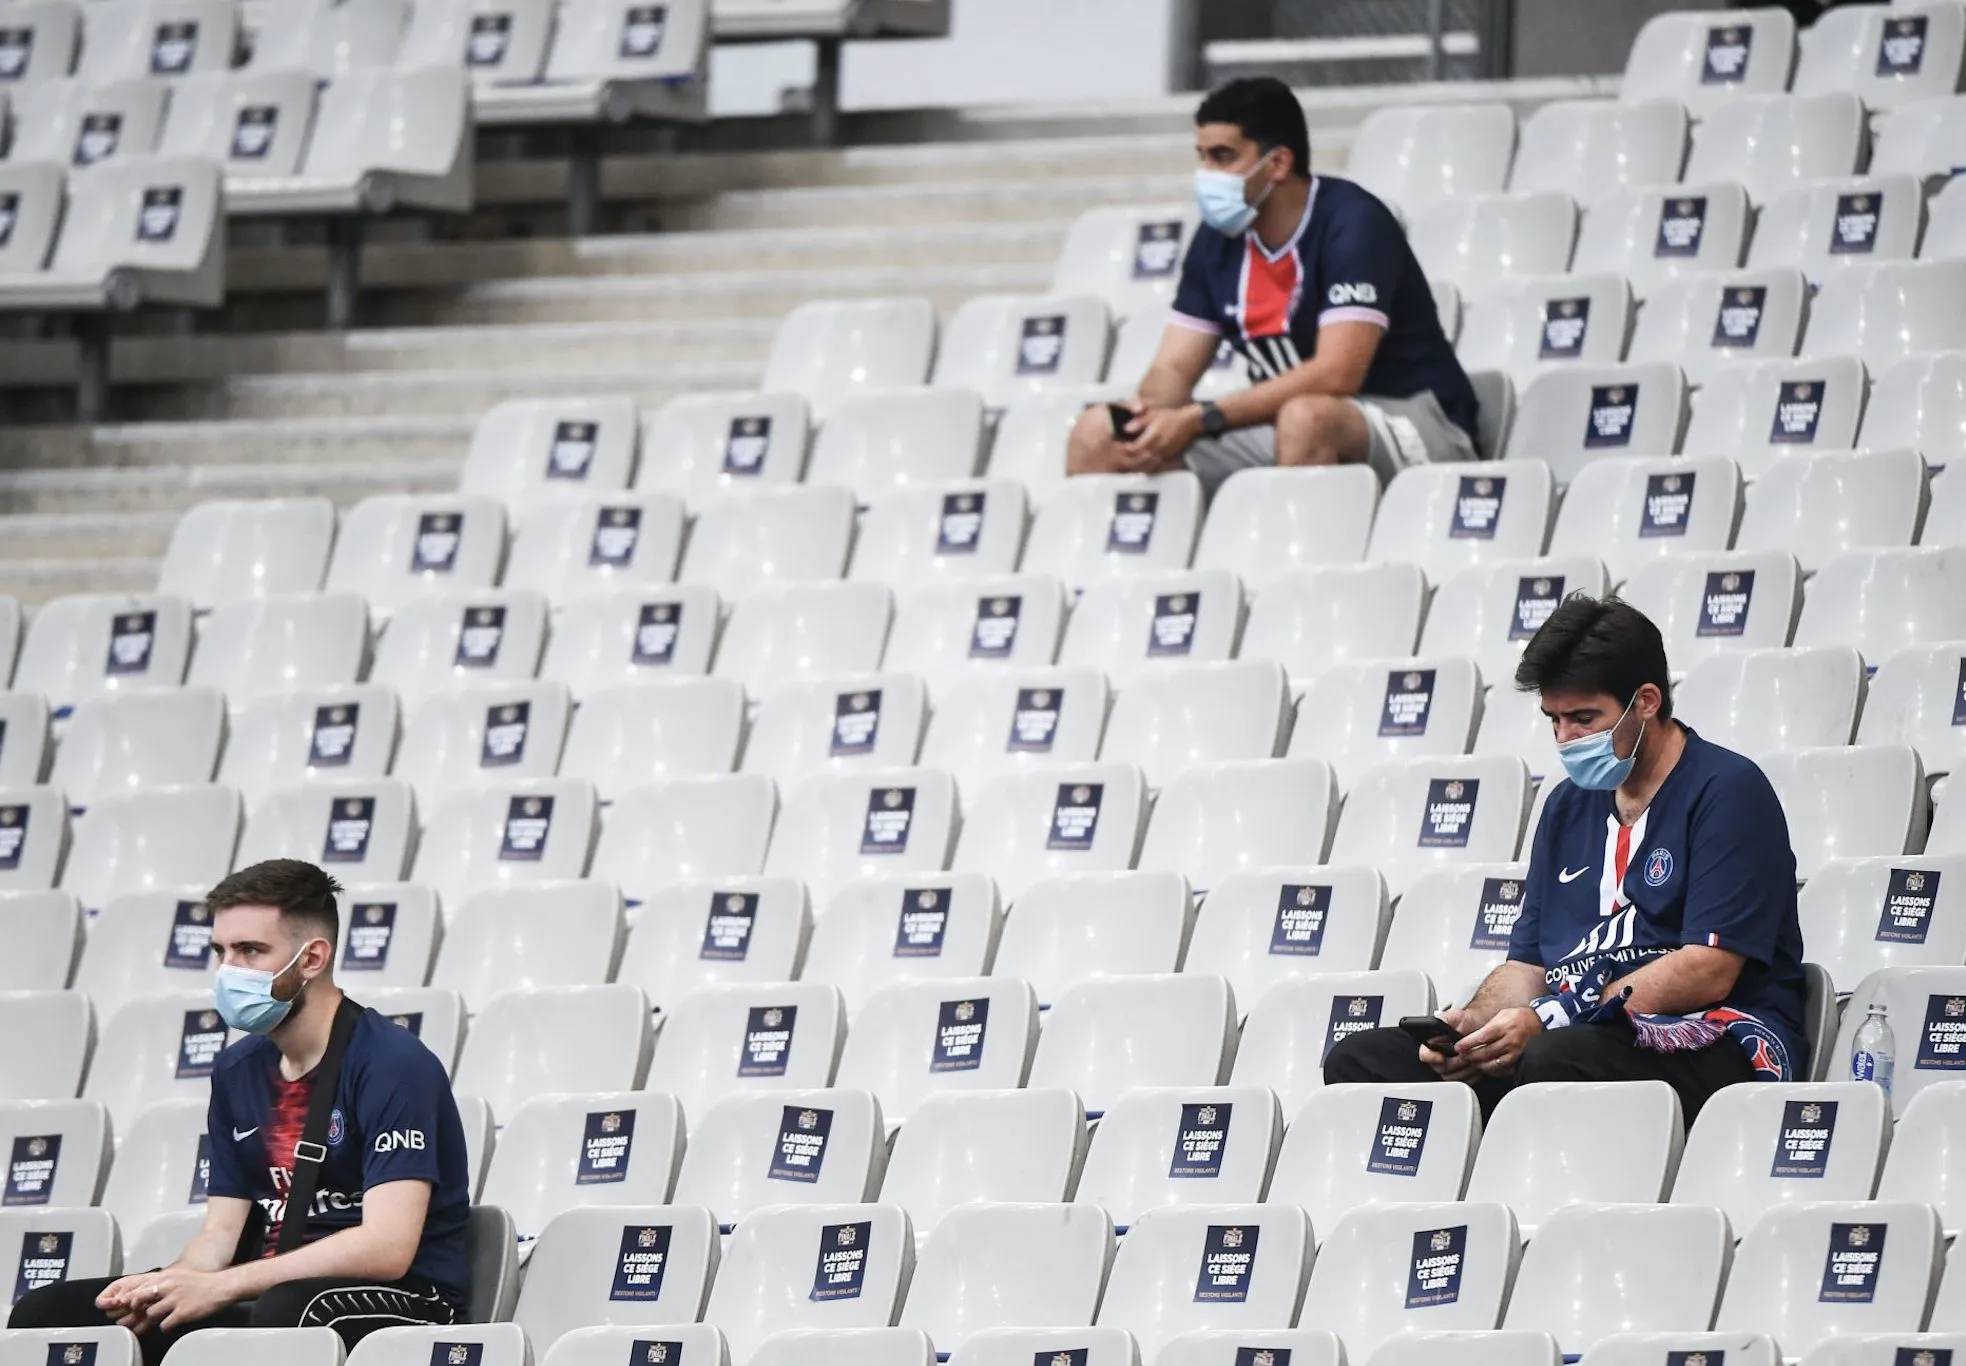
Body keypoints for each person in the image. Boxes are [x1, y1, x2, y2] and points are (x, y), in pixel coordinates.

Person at [1325, 596, 1809, 1121]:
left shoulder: (1728, 790)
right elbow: (1530, 963)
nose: (1564, 738)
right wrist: (1476, 1028)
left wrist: (1555, 1018)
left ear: (1645, 701)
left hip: (1710, 1038)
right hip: (1569, 1039)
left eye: (1583, 718)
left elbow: (1708, 969)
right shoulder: (1565, 806)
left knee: (1551, 1058)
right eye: (1552, 719)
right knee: (1361, 1061)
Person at [12, 860, 472, 1363]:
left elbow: (387, 1249)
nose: (228, 970)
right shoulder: (237, 1068)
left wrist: (226, 1286)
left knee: (286, 1313)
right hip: (268, 1283)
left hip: (412, 1296)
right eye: (220, 951)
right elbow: (221, 1233)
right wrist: (174, 1283)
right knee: (50, 1310)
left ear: (312, 957)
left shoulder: (393, 1063)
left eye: (250, 951)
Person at [1067, 75, 1481, 493]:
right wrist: (1149, 417)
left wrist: (1200, 417)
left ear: (1278, 163)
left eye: (1223, 157)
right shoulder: (1216, 241)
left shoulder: (1354, 222)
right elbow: (1173, 367)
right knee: (1097, 433)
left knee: (1306, 419)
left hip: (1417, 420)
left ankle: (1306, 559)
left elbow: (1338, 375)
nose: (1207, 174)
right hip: (1289, 424)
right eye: (1203, 157)